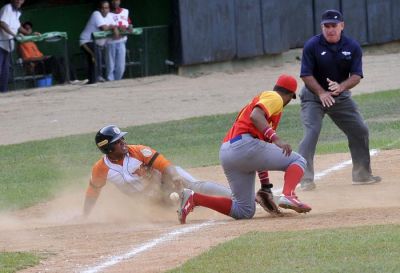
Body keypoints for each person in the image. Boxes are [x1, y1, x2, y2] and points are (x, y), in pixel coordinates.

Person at [177, 75, 312, 224]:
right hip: (244, 146)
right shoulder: (275, 98)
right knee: (298, 160)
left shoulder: (263, 105)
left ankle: (194, 198)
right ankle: (289, 195)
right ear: (288, 95)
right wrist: (276, 139)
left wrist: (266, 187)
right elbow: (256, 116)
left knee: (244, 211)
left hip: (229, 153)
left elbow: (260, 152)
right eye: (290, 98)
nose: (287, 102)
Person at [298, 9, 381, 191]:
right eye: (326, 26)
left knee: (360, 130)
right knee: (311, 133)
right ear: (322, 27)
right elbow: (305, 74)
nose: (330, 29)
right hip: (314, 97)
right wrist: (321, 93)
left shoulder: (352, 47)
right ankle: (305, 179)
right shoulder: (312, 45)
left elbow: (357, 75)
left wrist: (341, 87)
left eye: (334, 25)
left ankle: (362, 174)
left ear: (342, 26)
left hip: (339, 97)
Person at [83, 125, 231, 217]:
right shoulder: (100, 169)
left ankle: (234, 196)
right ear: (108, 148)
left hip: (166, 182)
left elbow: (165, 165)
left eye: (123, 139)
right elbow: (92, 192)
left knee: (192, 185)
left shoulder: (138, 151)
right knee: (174, 207)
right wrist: (85, 215)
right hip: (154, 200)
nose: (123, 142)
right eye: (118, 141)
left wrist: (175, 177)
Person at [79, 0, 116, 85]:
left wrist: (114, 27)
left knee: (92, 59)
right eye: (102, 8)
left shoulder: (109, 16)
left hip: (96, 43)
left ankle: (92, 80)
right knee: (96, 55)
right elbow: (104, 28)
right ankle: (98, 77)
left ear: (109, 9)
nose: (104, 10)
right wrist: (113, 28)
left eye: (106, 8)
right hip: (86, 41)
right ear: (99, 9)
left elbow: (114, 26)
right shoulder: (96, 14)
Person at [0, 0, 29, 92]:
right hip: (1, 44)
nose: (18, 0)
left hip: (7, 46)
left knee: (5, 71)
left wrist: (28, 33)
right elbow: (2, 23)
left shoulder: (17, 12)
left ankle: (3, 93)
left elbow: (17, 26)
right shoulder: (7, 8)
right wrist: (14, 35)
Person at [106, 0, 131, 81]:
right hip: (110, 42)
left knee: (121, 66)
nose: (115, 2)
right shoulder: (107, 13)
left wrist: (130, 27)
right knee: (110, 66)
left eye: (117, 0)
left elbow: (129, 23)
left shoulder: (125, 11)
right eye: (113, 0)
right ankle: (111, 83)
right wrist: (114, 27)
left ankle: (117, 82)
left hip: (122, 41)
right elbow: (105, 26)